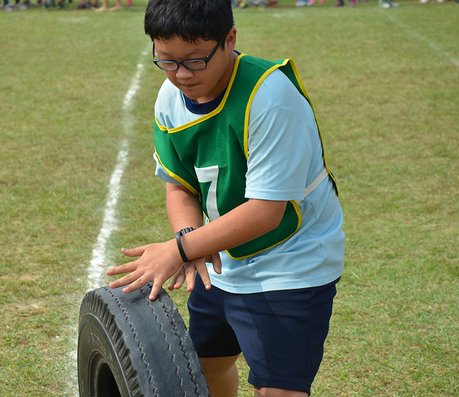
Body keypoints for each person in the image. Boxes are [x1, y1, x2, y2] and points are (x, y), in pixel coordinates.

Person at [106, 0, 345, 396]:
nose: (180, 74)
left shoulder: (270, 99)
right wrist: (190, 239)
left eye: (195, 60)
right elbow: (179, 185)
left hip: (288, 261)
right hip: (218, 255)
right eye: (166, 60)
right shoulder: (169, 98)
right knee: (203, 367)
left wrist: (179, 249)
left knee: (278, 388)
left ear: (229, 39)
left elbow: (267, 213)